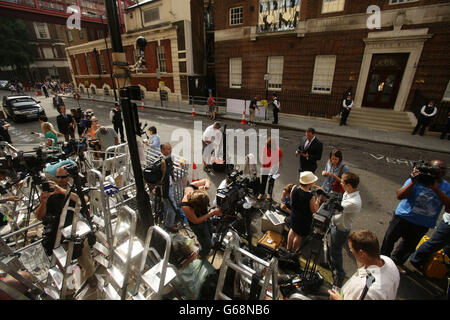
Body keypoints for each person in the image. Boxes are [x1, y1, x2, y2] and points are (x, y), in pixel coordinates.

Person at [380, 160, 450, 274]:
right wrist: (413, 182)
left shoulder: (447, 187)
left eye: (443, 169)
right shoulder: (419, 179)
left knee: (408, 246)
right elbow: (400, 195)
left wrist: (436, 190)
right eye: (437, 168)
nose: (440, 172)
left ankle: (396, 263)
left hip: (423, 223)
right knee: (389, 239)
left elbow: (449, 205)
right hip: (403, 217)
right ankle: (382, 261)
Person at [35, 166, 97, 288]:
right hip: (57, 235)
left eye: (63, 177)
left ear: (69, 177)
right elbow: (39, 216)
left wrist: (63, 191)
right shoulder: (50, 194)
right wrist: (43, 202)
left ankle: (91, 276)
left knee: (85, 258)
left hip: (74, 231)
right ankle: (67, 290)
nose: (60, 180)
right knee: (62, 266)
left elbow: (83, 200)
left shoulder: (72, 189)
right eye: (58, 177)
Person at [328, 230, 400, 300]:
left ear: (362, 253)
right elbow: (364, 265)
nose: (350, 251)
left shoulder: (367, 290)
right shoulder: (388, 261)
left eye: (351, 250)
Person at [329, 172, 362, 287]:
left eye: (342, 182)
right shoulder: (348, 193)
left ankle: (339, 273)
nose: (340, 183)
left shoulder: (354, 202)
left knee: (336, 252)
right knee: (333, 248)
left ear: (349, 185)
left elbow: (338, 207)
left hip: (341, 229)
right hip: (336, 224)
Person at [181, 179, 222, 258]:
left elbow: (206, 180)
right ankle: (201, 254)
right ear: (196, 207)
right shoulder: (186, 206)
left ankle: (209, 243)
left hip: (205, 218)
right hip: (198, 225)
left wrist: (207, 185)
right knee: (205, 243)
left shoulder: (192, 187)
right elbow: (196, 221)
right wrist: (212, 213)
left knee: (210, 231)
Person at [286, 171, 325, 253]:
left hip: (294, 214)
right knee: (298, 235)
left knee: (292, 230)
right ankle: (293, 251)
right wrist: (318, 198)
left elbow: (291, 198)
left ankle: (288, 248)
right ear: (309, 184)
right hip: (303, 219)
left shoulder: (294, 188)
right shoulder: (310, 196)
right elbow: (314, 210)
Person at [160, 143, 179, 233]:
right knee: (172, 207)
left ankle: (167, 223)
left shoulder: (168, 159)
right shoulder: (162, 161)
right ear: (162, 150)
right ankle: (169, 225)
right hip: (166, 188)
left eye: (170, 148)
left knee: (167, 207)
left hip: (169, 186)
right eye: (168, 149)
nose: (170, 150)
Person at [258, 137, 282, 201]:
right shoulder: (265, 148)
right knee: (263, 181)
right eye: (268, 147)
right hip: (265, 167)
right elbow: (263, 156)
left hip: (273, 168)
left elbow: (279, 160)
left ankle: (269, 194)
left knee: (271, 182)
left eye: (270, 147)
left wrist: (277, 168)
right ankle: (261, 193)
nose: (268, 148)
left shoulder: (278, 150)